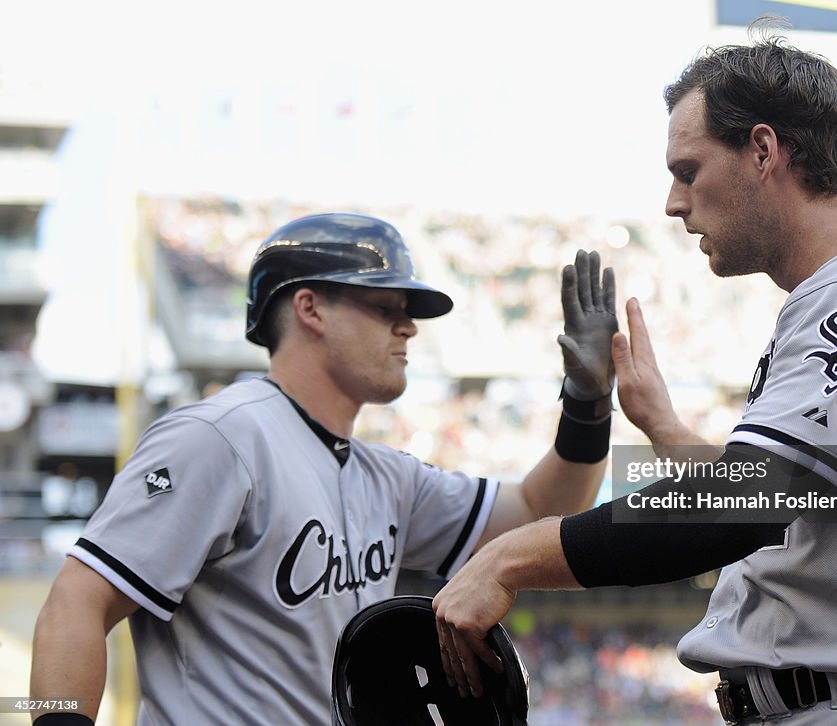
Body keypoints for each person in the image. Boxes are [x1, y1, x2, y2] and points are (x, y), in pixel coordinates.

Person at [433, 34, 837, 725]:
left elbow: (751, 504)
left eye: (689, 170)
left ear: (763, 150)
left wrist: (514, 555)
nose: (674, 202)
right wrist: (663, 426)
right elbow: (799, 509)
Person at [29, 212, 617, 725]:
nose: (408, 326)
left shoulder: (388, 477)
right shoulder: (220, 436)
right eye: (385, 306)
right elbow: (78, 599)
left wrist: (588, 403)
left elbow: (543, 514)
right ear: (309, 308)